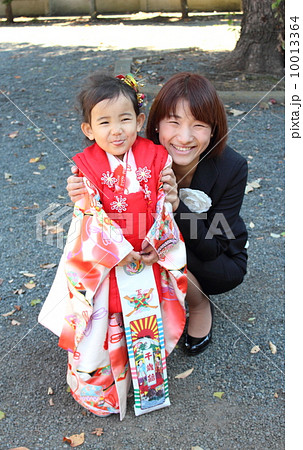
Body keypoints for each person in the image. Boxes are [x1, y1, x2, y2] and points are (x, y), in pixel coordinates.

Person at [67, 72, 248, 356]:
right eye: (174, 122)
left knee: (205, 266)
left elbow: (214, 243)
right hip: (139, 241)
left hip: (212, 246)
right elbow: (99, 184)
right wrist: (82, 190)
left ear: (213, 129)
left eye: (199, 125)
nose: (184, 137)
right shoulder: (135, 154)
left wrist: (176, 209)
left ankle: (199, 304)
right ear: (154, 124)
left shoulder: (232, 167)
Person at [38, 73, 187, 420]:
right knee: (104, 325)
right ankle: (102, 387)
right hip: (106, 263)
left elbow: (165, 203)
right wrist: (119, 250)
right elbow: (89, 215)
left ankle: (141, 380)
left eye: (124, 119)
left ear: (138, 121)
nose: (116, 130)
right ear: (89, 129)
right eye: (104, 122)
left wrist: (157, 243)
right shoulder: (86, 168)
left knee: (145, 322)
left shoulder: (156, 158)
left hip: (147, 254)